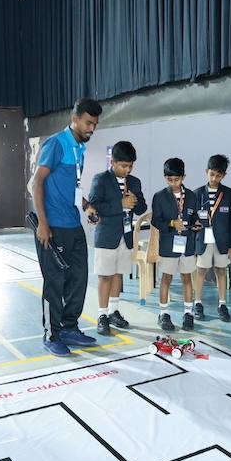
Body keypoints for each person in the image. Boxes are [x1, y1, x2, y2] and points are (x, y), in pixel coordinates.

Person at [31, 98, 103, 356]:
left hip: (73, 225)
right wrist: (43, 223)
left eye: (94, 124)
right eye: (88, 123)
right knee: (55, 283)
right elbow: (36, 183)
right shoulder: (56, 144)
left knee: (78, 279)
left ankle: (70, 327)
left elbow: (72, 187)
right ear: (75, 119)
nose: (91, 129)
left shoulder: (78, 149)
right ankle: (52, 334)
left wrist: (86, 206)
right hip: (53, 226)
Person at [87, 141, 147, 336]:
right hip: (107, 236)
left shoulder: (135, 182)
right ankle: (102, 314)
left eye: (131, 166)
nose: (128, 170)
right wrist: (121, 203)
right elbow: (95, 205)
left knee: (118, 274)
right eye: (124, 166)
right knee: (105, 275)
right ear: (112, 162)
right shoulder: (101, 179)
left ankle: (113, 311)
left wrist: (135, 202)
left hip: (126, 236)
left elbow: (142, 207)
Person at [151, 158, 201, 331]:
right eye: (169, 179)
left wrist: (196, 224)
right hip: (168, 244)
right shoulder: (159, 197)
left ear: (183, 177)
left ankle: (188, 313)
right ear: (165, 178)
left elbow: (195, 216)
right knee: (166, 278)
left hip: (187, 244)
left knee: (187, 278)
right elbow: (156, 220)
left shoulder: (192, 196)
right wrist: (171, 223)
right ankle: (163, 313)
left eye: (177, 179)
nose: (173, 183)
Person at [193, 154, 231, 322]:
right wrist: (193, 245)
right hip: (203, 239)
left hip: (222, 240)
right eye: (211, 174)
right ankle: (197, 303)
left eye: (218, 176)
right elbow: (193, 221)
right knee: (201, 271)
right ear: (207, 172)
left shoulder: (229, 194)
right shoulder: (197, 194)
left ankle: (222, 304)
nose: (214, 178)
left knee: (221, 270)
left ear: (224, 175)